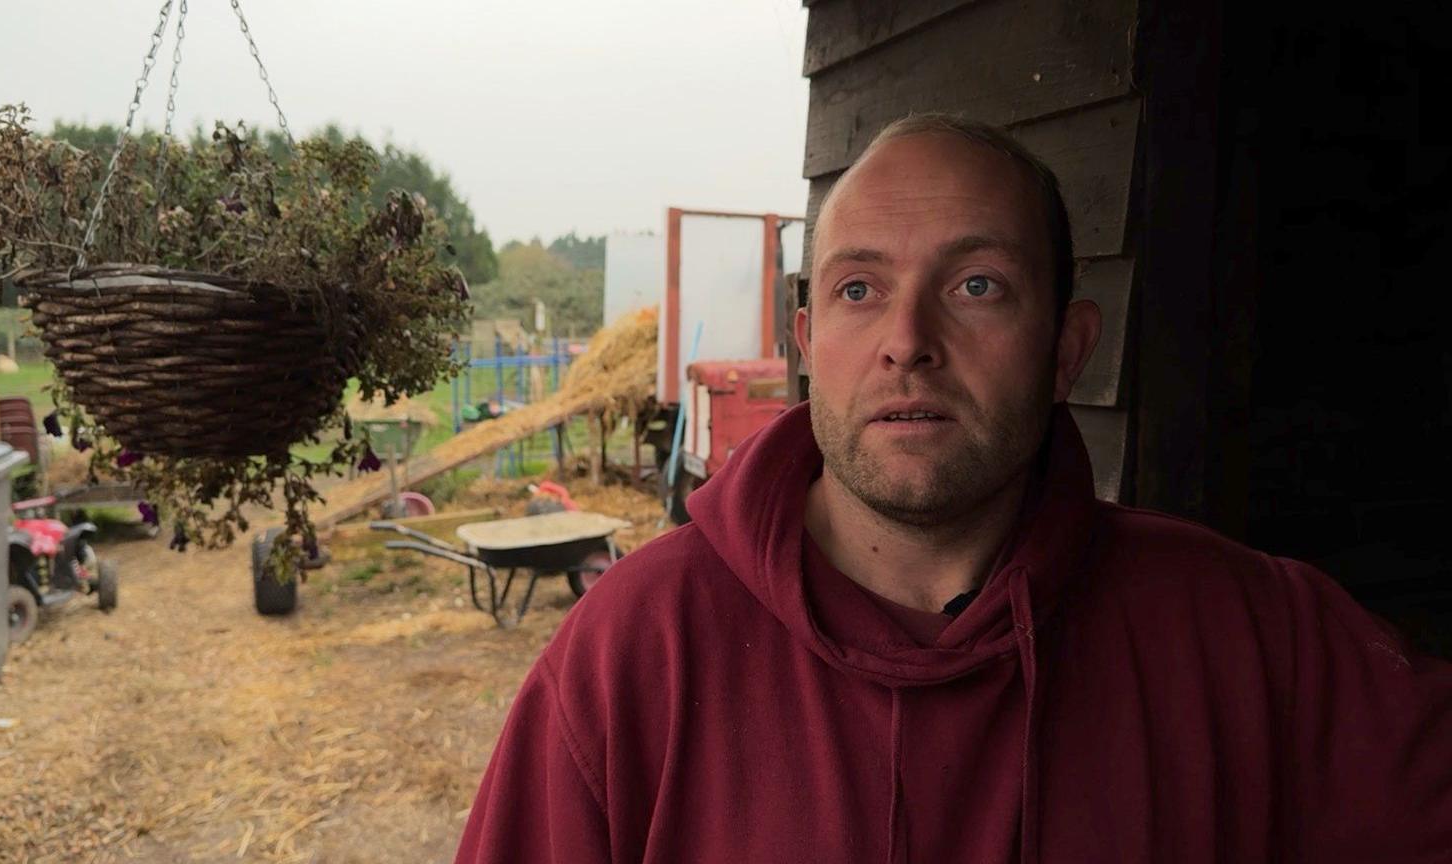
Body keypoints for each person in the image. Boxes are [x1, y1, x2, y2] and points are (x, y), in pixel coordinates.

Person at [454, 115, 1452, 863]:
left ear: (1068, 351)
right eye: (858, 289)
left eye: (976, 285)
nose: (906, 341)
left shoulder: (1254, 637)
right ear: (808, 348)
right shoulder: (634, 657)